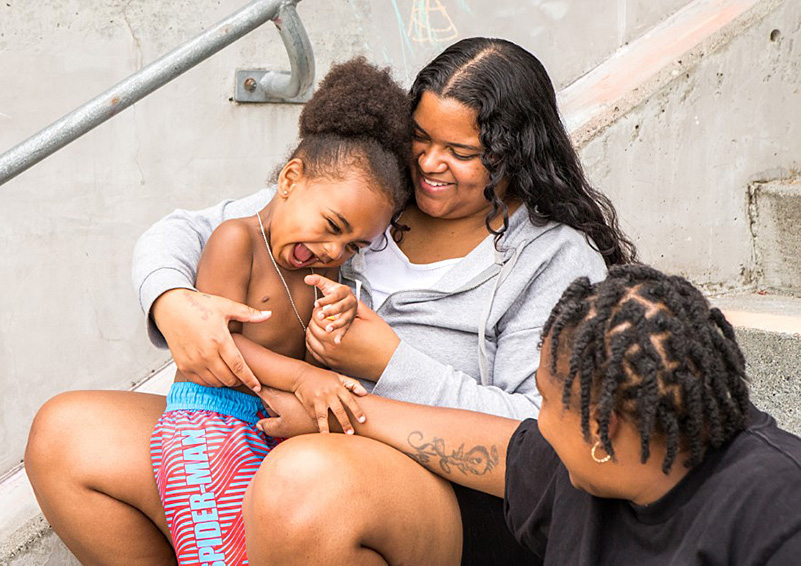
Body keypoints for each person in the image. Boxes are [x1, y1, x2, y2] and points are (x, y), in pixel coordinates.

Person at [26, 37, 636, 565]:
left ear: (513, 152)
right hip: (274, 432)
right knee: (69, 436)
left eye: (462, 152)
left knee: (303, 480)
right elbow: (192, 229)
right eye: (420, 137)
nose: (429, 162)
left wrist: (385, 368)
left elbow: (536, 436)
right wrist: (172, 302)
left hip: (437, 494)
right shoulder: (372, 199)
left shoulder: (552, 258)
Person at [254, 264, 801, 564]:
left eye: (542, 399)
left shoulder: (778, 515)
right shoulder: (597, 463)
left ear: (601, 426)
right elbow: (489, 446)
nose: (535, 418)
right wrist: (347, 413)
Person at [150, 57, 412, 566]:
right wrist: (302, 380)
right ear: (290, 179)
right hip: (208, 431)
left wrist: (334, 329)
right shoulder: (236, 241)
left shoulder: (326, 273)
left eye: (355, 245)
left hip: (269, 437)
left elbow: (316, 359)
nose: (335, 250)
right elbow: (220, 346)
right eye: (332, 224)